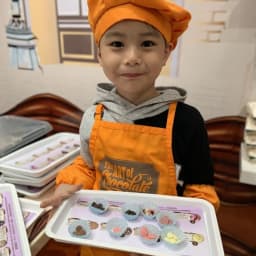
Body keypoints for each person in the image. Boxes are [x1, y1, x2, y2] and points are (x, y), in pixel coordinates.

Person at [41, 0, 220, 255]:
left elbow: (200, 192)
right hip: (101, 240)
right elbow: (88, 166)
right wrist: (69, 184)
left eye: (147, 44)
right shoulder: (94, 116)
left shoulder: (187, 122)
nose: (132, 57)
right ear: (99, 53)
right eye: (117, 44)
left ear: (167, 52)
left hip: (162, 242)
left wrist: (190, 236)